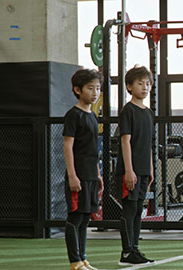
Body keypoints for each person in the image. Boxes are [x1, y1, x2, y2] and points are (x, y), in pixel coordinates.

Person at [63, 69, 104, 270]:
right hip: (77, 174)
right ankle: (75, 262)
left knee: (86, 217)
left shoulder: (93, 116)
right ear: (77, 90)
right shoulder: (73, 115)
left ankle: (83, 259)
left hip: (90, 174)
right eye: (90, 88)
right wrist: (72, 175)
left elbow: (93, 148)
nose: (95, 92)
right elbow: (68, 146)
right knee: (75, 218)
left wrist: (97, 173)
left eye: (97, 88)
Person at [115, 65, 155, 266]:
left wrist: (150, 169)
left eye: (148, 84)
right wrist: (129, 170)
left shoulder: (148, 113)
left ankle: (135, 250)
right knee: (129, 211)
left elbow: (148, 144)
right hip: (128, 171)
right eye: (140, 84)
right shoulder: (128, 110)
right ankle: (126, 253)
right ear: (129, 87)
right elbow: (125, 141)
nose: (145, 87)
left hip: (142, 170)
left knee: (139, 210)